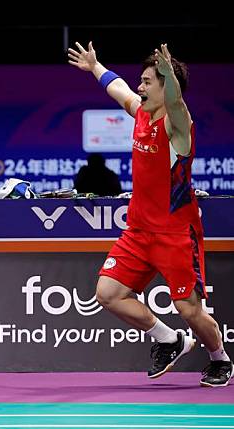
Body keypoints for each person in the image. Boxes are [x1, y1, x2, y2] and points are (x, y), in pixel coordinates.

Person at [68, 42, 232, 387]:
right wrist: (96, 67)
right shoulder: (140, 112)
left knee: (189, 310)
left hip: (176, 233)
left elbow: (175, 102)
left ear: (165, 86)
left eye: (146, 82)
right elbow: (118, 90)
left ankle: (220, 358)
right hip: (139, 230)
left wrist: (170, 75)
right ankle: (169, 339)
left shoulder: (178, 128)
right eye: (140, 81)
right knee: (108, 294)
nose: (139, 87)